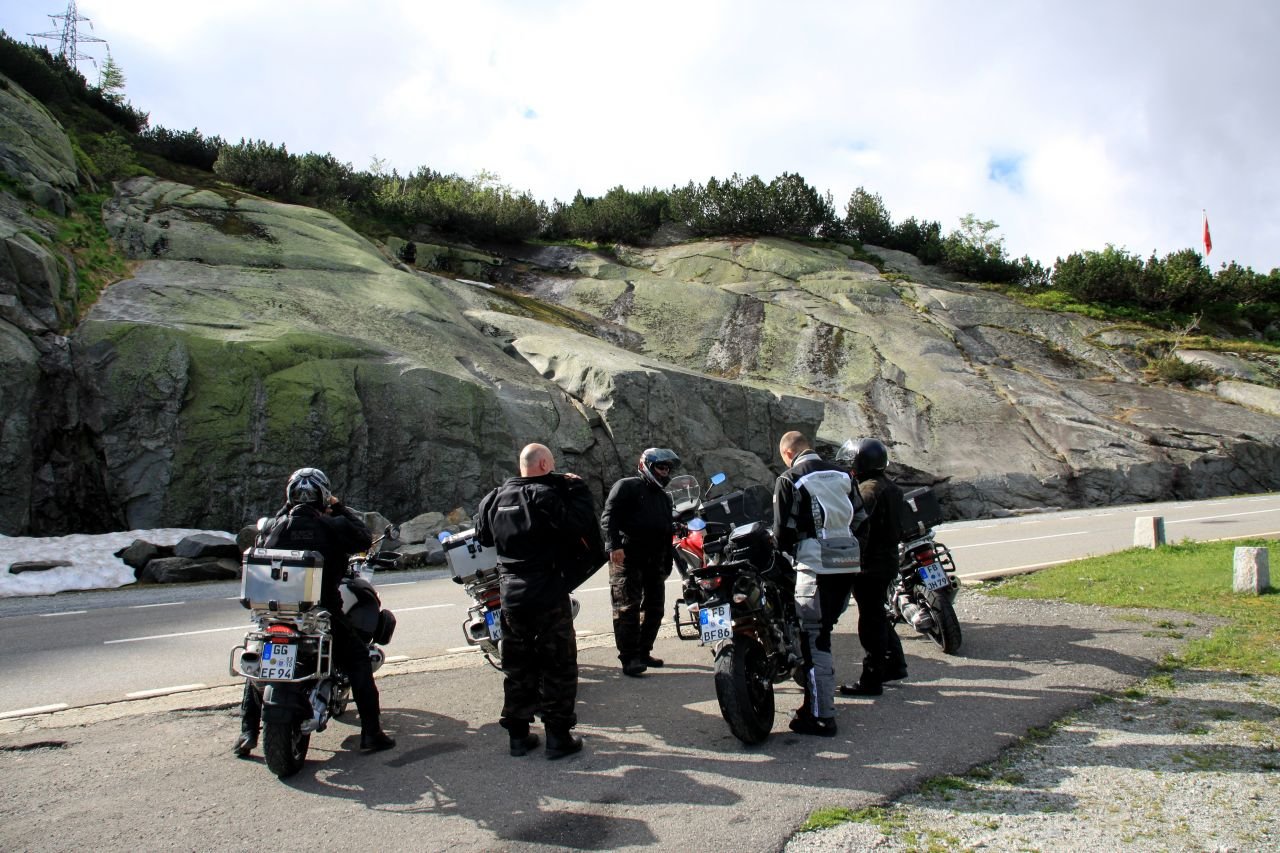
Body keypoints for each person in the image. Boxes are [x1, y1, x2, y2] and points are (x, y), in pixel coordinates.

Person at [234, 467, 395, 757]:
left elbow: (265, 542)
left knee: (261, 663)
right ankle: (371, 733)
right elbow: (362, 538)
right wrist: (339, 507)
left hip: (277, 614)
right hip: (322, 612)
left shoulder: (276, 526)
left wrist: (288, 508)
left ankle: (248, 732)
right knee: (358, 660)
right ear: (324, 496)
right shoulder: (332, 525)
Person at [475, 443, 584, 760]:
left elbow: (483, 538)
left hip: (511, 593)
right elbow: (577, 528)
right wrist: (576, 490)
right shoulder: (544, 495)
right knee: (558, 665)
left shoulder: (494, 498)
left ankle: (518, 737)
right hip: (547, 592)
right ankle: (558, 738)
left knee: (517, 667)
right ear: (544, 464)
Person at [772, 431, 866, 737]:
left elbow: (782, 531)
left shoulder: (790, 478)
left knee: (813, 640)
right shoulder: (843, 474)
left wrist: (787, 555)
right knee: (823, 633)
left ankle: (821, 716)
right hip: (848, 563)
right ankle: (815, 703)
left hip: (816, 566)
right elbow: (860, 518)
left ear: (788, 453)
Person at [837, 438, 909, 696]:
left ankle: (871, 679)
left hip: (870, 565)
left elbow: (854, 524)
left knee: (870, 623)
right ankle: (894, 665)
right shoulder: (889, 486)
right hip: (886, 560)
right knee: (877, 614)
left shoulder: (868, 491)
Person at [601, 448, 680, 677]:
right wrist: (614, 546)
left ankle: (643, 651)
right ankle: (629, 658)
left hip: (654, 559)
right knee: (627, 608)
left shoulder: (664, 498)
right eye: (661, 467)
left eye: (667, 468)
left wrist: (667, 562)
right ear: (647, 466)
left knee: (655, 608)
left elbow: (666, 531)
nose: (664, 472)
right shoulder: (626, 486)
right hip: (628, 557)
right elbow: (609, 517)